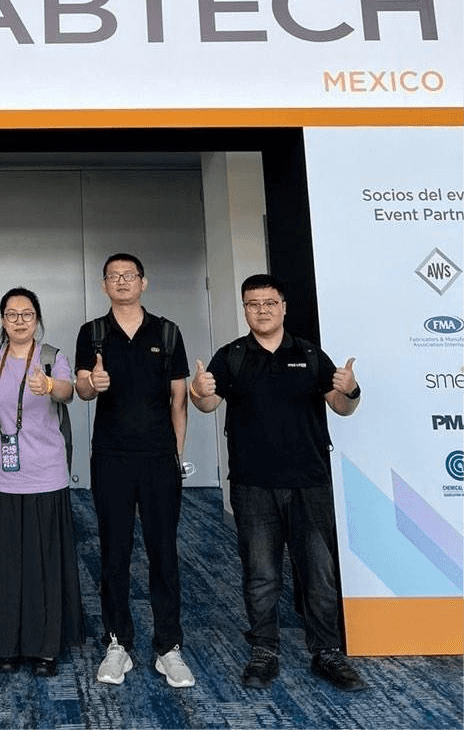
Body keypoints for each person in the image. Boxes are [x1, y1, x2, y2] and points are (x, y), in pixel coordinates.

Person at [189, 273, 367, 692]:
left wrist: (352, 389)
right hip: (253, 485)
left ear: (283, 307)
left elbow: (341, 407)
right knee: (261, 574)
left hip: (309, 483)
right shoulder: (232, 356)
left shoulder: (309, 354)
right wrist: (198, 391)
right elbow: (208, 403)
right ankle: (264, 650)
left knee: (319, 573)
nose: (262, 310)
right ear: (245, 310)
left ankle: (327, 652)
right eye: (253, 304)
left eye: (269, 303)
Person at [75, 254, 195, 689]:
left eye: (129, 276)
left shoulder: (167, 332)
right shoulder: (93, 332)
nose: (122, 281)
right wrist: (92, 384)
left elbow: (179, 399)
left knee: (164, 552)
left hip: (159, 459)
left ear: (144, 282)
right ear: (104, 285)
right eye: (114, 276)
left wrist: (175, 456)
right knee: (115, 552)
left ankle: (169, 647)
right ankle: (117, 643)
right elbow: (82, 388)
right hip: (111, 457)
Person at [0, 288, 85, 677]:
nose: (19, 321)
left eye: (27, 314)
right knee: (5, 565)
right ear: (2, 320)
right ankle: (6, 645)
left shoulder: (53, 357)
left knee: (44, 567)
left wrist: (50, 387)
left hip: (45, 476)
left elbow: (69, 392)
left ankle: (45, 648)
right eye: (12, 314)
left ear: (37, 319)